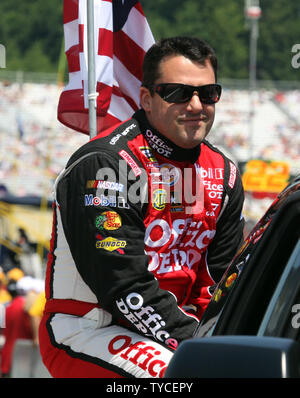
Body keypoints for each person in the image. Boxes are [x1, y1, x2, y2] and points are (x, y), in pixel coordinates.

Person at [39, 36, 244, 378]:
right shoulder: (105, 166)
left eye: (207, 94)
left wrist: (225, 340)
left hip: (175, 332)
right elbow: (123, 287)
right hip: (90, 328)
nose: (196, 105)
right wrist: (198, 344)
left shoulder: (224, 173)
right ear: (147, 99)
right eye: (178, 93)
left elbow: (220, 283)